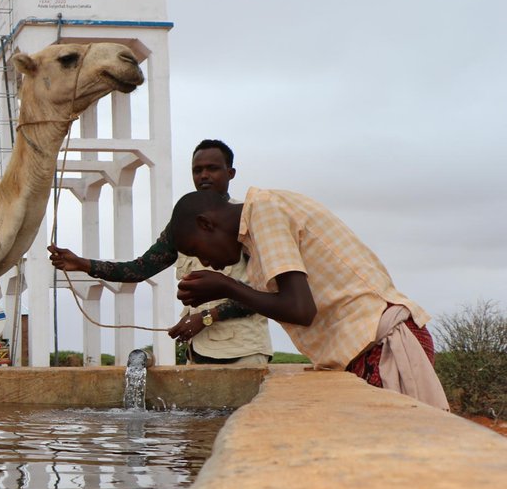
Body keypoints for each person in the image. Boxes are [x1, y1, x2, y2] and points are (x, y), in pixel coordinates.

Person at [166, 187, 449, 408]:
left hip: (384, 344)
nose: (207, 261)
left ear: (206, 224)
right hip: (369, 346)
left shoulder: (263, 212)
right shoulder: (259, 230)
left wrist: (226, 286)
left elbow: (301, 309)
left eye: (198, 250)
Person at [47, 139, 271, 365]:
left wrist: (206, 318)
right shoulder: (183, 225)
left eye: (212, 168)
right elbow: (139, 269)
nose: (204, 175)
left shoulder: (247, 220)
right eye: (197, 170)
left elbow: (264, 293)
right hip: (199, 353)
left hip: (244, 353)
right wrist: (83, 264)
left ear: (230, 173)